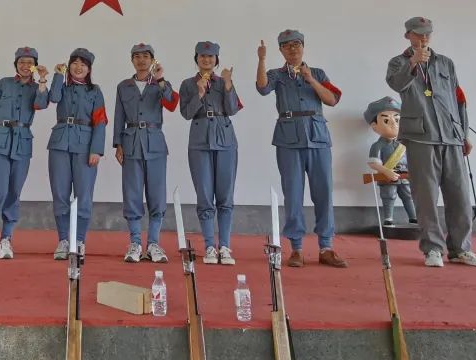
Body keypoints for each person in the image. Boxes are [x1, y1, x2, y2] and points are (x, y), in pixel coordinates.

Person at [386, 16, 476, 269]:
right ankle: (432, 248)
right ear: (408, 35)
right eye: (418, 33)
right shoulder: (398, 62)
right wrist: (413, 63)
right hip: (421, 136)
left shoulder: (445, 63)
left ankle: (461, 249)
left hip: (451, 136)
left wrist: (463, 133)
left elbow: (458, 99)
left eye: (427, 33)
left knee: (459, 195)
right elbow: (396, 84)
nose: (424, 37)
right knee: (426, 197)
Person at [255, 30, 347, 268]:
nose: (292, 49)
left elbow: (332, 99)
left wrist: (311, 80)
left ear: (303, 47)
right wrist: (261, 59)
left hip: (317, 137)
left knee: (323, 192)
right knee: (293, 194)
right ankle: (296, 248)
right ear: (281, 50)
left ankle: (326, 247)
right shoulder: (276, 74)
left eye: (296, 44)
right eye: (286, 46)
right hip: (288, 139)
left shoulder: (317, 73)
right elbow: (262, 88)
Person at [0, 47, 50, 259]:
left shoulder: (38, 88)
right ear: (16, 64)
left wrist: (43, 80)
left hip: (22, 142)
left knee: (14, 192)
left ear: (34, 66)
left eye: (29, 62)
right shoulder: (4, 83)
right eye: (21, 62)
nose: (25, 65)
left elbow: (41, 104)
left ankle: (6, 239)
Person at [113, 43, 178, 263]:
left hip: (155, 143)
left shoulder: (160, 84)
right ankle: (134, 242)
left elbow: (172, 103)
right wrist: (118, 144)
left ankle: (153, 243)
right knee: (132, 193)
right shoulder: (124, 86)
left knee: (157, 194)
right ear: (132, 60)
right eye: (137, 57)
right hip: (131, 142)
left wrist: (161, 80)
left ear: (152, 60)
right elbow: (119, 116)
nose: (141, 60)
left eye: (145, 56)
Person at [179, 41, 241, 265]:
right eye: (202, 56)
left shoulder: (224, 81)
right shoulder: (188, 84)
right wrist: (199, 93)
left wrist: (228, 84)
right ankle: (209, 246)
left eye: (211, 56)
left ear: (216, 60)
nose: (206, 60)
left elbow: (232, 109)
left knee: (225, 196)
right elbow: (186, 113)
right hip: (199, 141)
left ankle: (224, 246)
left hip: (225, 140)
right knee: (204, 195)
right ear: (196, 59)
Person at [47, 48, 107, 259]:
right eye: (74, 63)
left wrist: (96, 150)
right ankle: (64, 240)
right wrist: (57, 75)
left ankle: (79, 240)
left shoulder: (95, 91)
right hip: (60, 144)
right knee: (60, 194)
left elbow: (100, 122)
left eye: (83, 64)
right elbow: (53, 98)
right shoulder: (62, 87)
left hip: (85, 146)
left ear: (89, 69)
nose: (78, 67)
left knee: (84, 195)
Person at [364, 97, 417, 226]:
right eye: (386, 120)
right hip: (387, 177)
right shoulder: (377, 146)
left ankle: (414, 217)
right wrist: (386, 171)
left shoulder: (404, 145)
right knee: (389, 195)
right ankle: (388, 218)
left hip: (404, 176)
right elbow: (373, 163)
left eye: (397, 120)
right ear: (374, 126)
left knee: (408, 195)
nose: (394, 124)